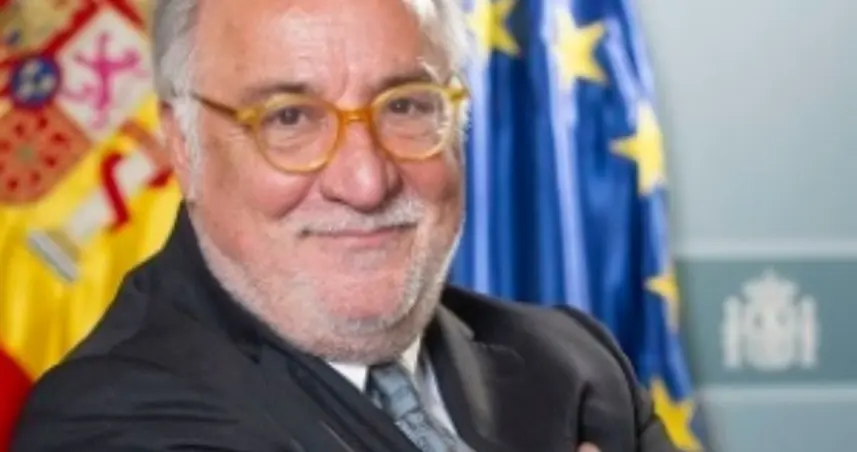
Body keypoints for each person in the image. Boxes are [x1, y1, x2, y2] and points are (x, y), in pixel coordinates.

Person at [11, 0, 679, 451]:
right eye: (289, 118)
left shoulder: (576, 366)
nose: (365, 182)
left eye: (405, 106)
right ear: (183, 147)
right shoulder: (105, 420)